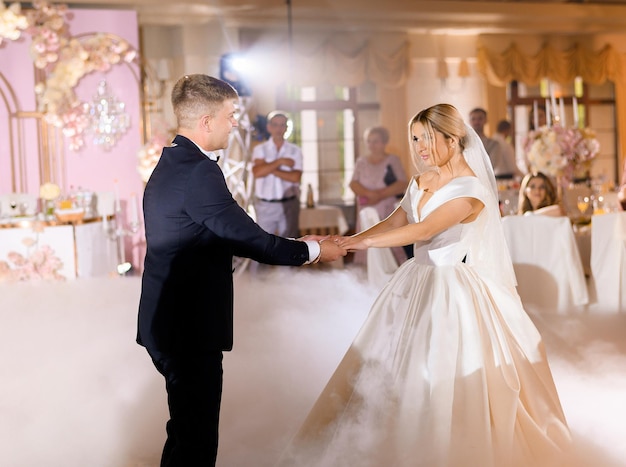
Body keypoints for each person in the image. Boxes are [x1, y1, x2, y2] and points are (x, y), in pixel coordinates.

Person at [278, 104, 572, 467]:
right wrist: (344, 238)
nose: (419, 147)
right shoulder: (423, 180)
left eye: (428, 139)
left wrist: (351, 246)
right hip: (414, 279)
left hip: (451, 287)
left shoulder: (473, 190)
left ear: (454, 138)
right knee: (389, 362)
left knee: (442, 366)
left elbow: (424, 229)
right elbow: (394, 221)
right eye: (415, 138)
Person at [137, 74, 346, 467]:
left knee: (184, 432)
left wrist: (300, 243)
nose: (236, 123)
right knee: (196, 443)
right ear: (206, 122)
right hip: (187, 328)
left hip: (167, 321)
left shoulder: (172, 163)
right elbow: (251, 240)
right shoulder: (199, 172)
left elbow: (221, 233)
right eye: (231, 115)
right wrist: (315, 250)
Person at [349, 126, 410, 263]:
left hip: (386, 209)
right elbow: (353, 183)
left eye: (375, 141)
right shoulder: (361, 162)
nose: (372, 145)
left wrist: (380, 196)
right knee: (366, 242)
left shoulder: (393, 160)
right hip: (366, 208)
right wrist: (368, 194)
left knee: (388, 243)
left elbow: (402, 183)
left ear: (384, 142)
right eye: (369, 141)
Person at [252, 110, 303, 238]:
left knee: (290, 242)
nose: (279, 128)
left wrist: (268, 167)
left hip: (289, 204)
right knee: (262, 244)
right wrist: (280, 162)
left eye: (282, 125)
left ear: (286, 128)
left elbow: (295, 177)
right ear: (269, 127)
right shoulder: (260, 149)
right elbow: (257, 173)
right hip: (265, 205)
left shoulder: (295, 151)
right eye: (275, 125)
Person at [469, 107, 502, 171]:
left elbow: (491, 166)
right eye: (473, 119)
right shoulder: (462, 143)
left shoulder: (494, 145)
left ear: (486, 120)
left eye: (480, 118)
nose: (476, 122)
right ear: (469, 121)